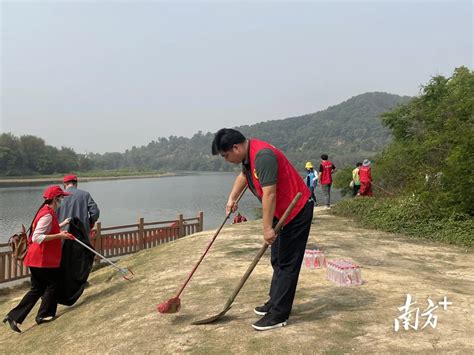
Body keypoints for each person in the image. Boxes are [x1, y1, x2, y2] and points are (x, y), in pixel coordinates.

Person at [212, 128, 313, 331]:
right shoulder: (248, 157)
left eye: (225, 155)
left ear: (236, 147)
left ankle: (279, 314)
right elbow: (244, 176)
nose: (226, 159)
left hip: (296, 211)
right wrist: (231, 198)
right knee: (277, 258)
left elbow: (270, 195)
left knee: (287, 263)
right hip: (281, 213)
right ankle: (274, 301)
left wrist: (267, 228)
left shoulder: (263, 156)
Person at [3, 186, 73, 333]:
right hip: (41, 259)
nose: (62, 200)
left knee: (37, 289)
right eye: (61, 197)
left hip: (35, 259)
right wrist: (60, 236)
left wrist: (62, 224)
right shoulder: (47, 214)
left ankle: (13, 316)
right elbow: (37, 237)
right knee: (53, 283)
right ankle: (43, 315)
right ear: (55, 199)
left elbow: (46, 230)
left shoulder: (46, 212)